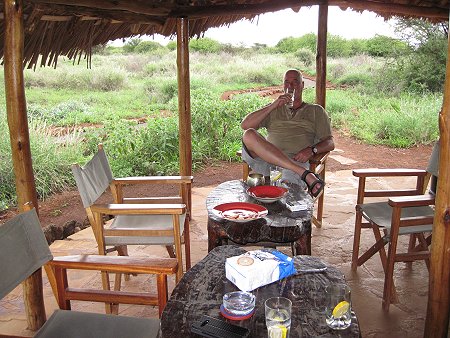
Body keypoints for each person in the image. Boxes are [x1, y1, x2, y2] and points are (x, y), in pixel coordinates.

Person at [241, 69, 335, 197]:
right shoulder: (274, 108)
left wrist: (312, 150)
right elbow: (245, 125)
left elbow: (329, 142)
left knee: (285, 191)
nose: (290, 86)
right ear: (283, 86)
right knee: (249, 134)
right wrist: (273, 105)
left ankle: (298, 172)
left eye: (295, 82)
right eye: (287, 82)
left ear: (302, 85)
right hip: (266, 160)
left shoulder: (315, 111)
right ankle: (304, 173)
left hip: (295, 159)